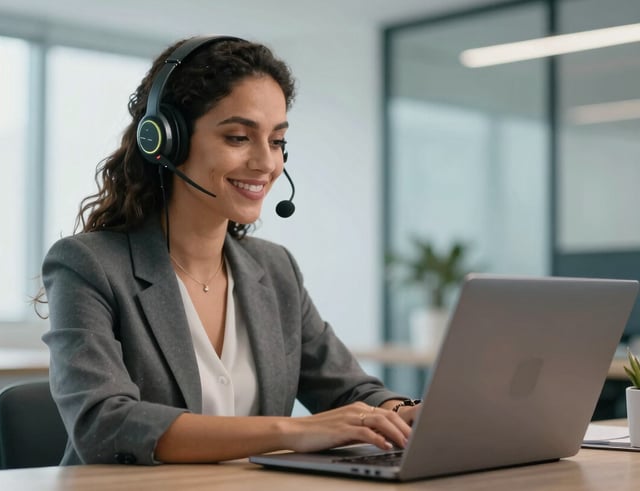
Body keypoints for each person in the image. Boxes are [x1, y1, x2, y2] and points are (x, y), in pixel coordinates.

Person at [40, 35, 421, 466]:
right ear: (166, 141)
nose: (266, 163)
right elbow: (105, 424)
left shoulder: (275, 269)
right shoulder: (87, 265)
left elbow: (351, 391)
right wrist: (294, 431)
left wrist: (402, 413)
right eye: (239, 137)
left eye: (277, 141)